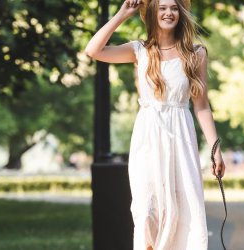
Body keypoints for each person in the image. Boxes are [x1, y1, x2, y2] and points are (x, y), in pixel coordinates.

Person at [84, 0, 225, 249]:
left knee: (184, 209)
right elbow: (93, 50)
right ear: (152, 12)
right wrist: (122, 14)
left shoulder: (196, 53)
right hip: (148, 138)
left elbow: (202, 106)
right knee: (146, 210)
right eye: (162, 7)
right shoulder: (138, 50)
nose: (168, 12)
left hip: (181, 137)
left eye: (173, 8)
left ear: (181, 13)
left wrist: (216, 150)